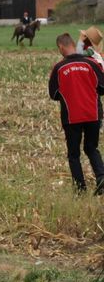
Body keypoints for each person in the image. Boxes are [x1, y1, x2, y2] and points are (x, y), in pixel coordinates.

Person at [48, 33, 104, 194]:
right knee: (91, 148)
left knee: (74, 154)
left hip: (71, 117)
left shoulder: (59, 68)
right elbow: (102, 88)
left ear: (61, 47)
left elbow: (53, 94)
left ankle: (80, 189)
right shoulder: (91, 64)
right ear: (73, 44)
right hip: (93, 114)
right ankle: (101, 177)